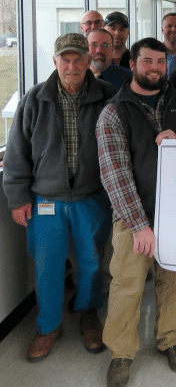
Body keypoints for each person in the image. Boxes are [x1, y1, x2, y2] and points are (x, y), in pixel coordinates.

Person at [97, 37, 176, 387]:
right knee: (128, 286)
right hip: (133, 218)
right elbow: (115, 175)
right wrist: (140, 225)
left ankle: (170, 340)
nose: (155, 69)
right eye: (147, 62)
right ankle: (121, 353)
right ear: (132, 65)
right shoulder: (114, 112)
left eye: (160, 62)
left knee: (174, 283)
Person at [3, 33, 115, 361]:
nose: (72, 65)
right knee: (47, 265)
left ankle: (88, 314)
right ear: (55, 62)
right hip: (46, 199)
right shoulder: (34, 99)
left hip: (91, 198)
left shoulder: (107, 96)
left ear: (88, 60)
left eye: (78, 58)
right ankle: (49, 325)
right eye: (64, 59)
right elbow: (16, 154)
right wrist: (17, 197)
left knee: (92, 264)